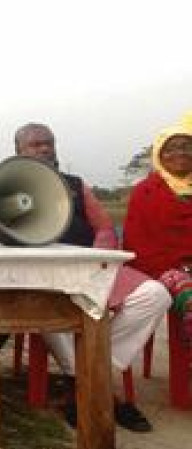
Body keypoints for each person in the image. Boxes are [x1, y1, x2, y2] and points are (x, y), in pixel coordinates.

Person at [15, 122, 171, 432]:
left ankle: (84, 380)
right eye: (35, 144)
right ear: (18, 151)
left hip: (89, 267)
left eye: (49, 143)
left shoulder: (76, 185)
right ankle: (101, 390)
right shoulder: (8, 187)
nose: (45, 149)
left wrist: (98, 261)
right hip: (42, 275)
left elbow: (104, 227)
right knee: (41, 305)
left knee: (156, 295)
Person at [123, 118, 192, 343]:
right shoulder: (146, 191)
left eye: (187, 147)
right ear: (159, 156)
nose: (180, 153)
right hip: (160, 268)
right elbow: (138, 243)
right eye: (171, 149)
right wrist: (182, 267)